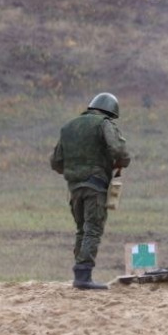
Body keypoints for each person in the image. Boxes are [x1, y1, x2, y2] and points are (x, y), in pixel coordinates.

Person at [50, 92, 131, 290]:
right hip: (95, 184)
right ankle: (83, 276)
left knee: (81, 229)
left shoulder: (69, 127)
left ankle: (80, 272)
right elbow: (119, 151)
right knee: (93, 229)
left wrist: (75, 171)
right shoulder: (104, 123)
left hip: (74, 186)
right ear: (110, 111)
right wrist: (120, 164)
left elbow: (56, 162)